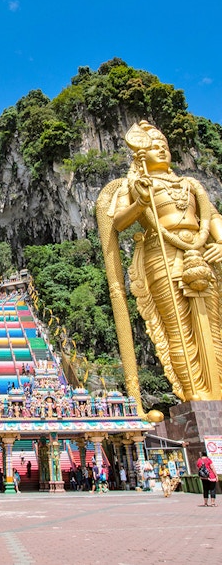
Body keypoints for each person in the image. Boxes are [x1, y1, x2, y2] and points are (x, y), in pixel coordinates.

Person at [99, 120, 222, 405]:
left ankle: (217, 387)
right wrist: (140, 202)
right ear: (139, 153)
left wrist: (219, 242)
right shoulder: (137, 184)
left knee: (214, 324)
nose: (161, 150)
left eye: (164, 146)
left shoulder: (191, 184)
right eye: (154, 147)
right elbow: (117, 222)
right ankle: (193, 391)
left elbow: (213, 217)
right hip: (161, 254)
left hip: (201, 250)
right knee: (177, 325)